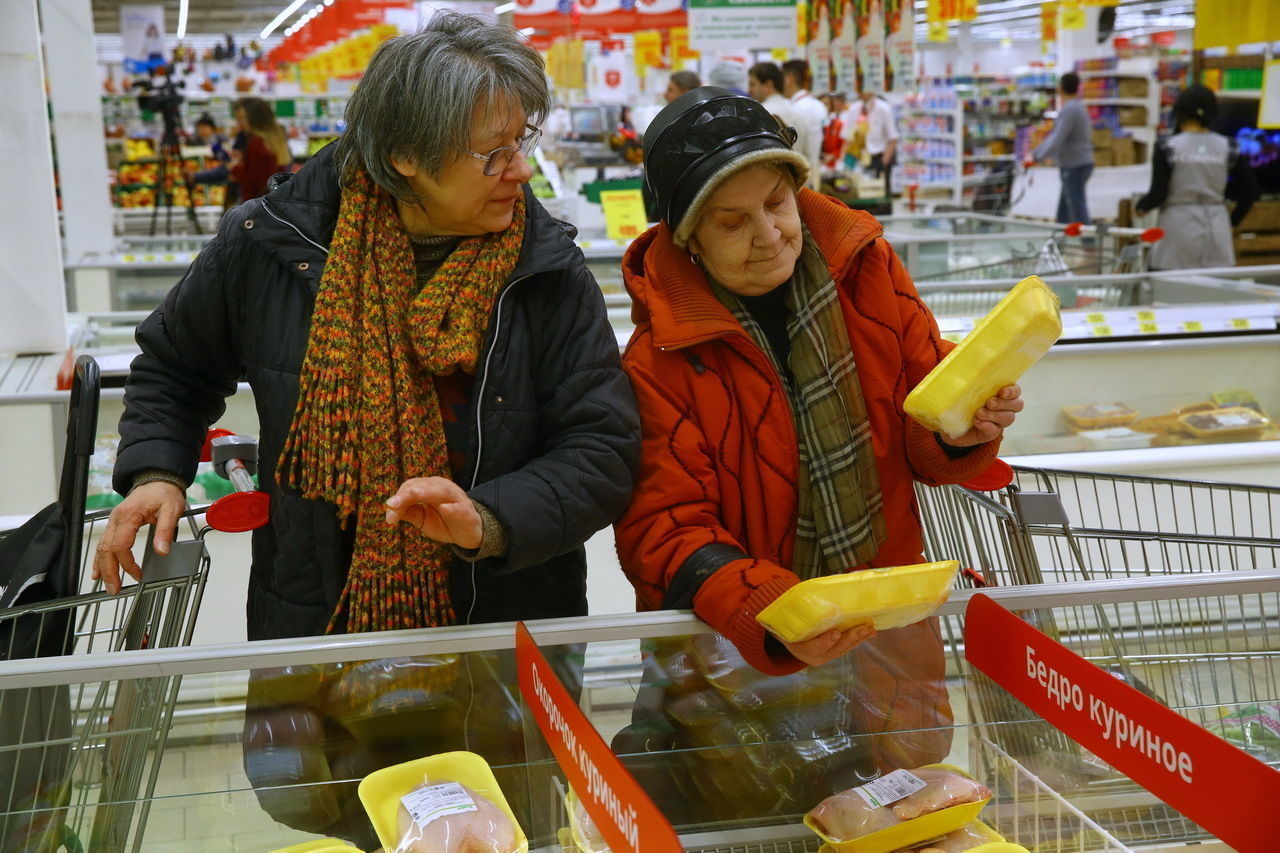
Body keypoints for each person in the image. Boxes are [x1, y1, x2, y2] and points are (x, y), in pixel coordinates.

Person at [613, 88, 1022, 813]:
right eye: (732, 222)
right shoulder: (658, 357)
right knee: (758, 812)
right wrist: (778, 609)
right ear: (688, 238)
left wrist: (966, 427)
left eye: (776, 202)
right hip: (741, 665)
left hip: (886, 649)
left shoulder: (867, 270)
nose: (768, 234)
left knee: (891, 816)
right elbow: (663, 529)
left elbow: (921, 421)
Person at [1136, 85, 1259, 269]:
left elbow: (1158, 193)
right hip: (1217, 226)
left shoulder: (1167, 147)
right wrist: (1231, 222)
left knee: (1173, 290)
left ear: (1180, 111)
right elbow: (1250, 190)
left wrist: (1141, 207)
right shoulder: (1230, 146)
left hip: (1177, 227)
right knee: (1215, 291)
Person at [1032, 71, 1094, 224]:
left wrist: (1036, 156)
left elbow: (1057, 138)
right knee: (1065, 210)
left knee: (1077, 209)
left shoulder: (1070, 109)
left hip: (1075, 165)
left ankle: (1089, 245)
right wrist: (1036, 153)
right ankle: (1060, 242)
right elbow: (1054, 136)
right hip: (1077, 163)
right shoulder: (1076, 107)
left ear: (1060, 88)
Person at [228, 96, 292, 200]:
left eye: (242, 119)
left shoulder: (257, 144)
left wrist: (235, 168)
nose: (239, 124)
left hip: (256, 207)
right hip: (271, 203)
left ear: (255, 119)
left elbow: (254, 183)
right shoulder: (274, 140)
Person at [782, 59, 827, 191]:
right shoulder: (819, 105)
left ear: (789, 78)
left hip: (800, 176)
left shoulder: (795, 109)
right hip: (815, 169)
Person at [846, 87, 900, 191]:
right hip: (858, 159)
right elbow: (849, 139)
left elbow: (892, 139)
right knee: (859, 193)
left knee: (880, 195)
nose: (860, 90)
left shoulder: (884, 108)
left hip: (878, 157)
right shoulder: (853, 109)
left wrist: (883, 164)